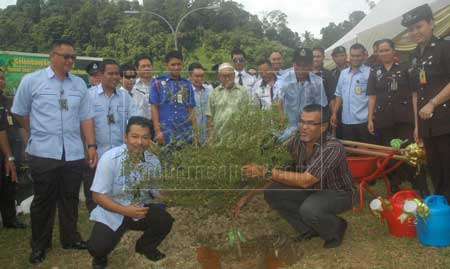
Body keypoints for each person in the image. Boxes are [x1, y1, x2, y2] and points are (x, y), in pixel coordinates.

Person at [11, 40, 97, 264]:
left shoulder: (79, 84)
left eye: (72, 57)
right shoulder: (32, 81)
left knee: (69, 199)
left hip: (73, 153)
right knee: (43, 201)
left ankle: (70, 238)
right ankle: (40, 245)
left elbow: (86, 117)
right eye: (65, 56)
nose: (70, 61)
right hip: (44, 151)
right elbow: (20, 112)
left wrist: (91, 145)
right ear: (52, 56)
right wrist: (36, 131)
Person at [243, 104, 355, 248]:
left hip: (339, 192)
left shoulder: (332, 147)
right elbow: (278, 170)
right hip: (313, 188)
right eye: (302, 121)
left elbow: (306, 181)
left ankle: (336, 227)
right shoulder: (297, 141)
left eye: (310, 123)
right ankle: (308, 229)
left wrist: (265, 171)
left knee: (310, 209)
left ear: (323, 127)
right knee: (272, 192)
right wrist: (246, 197)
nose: (303, 127)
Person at [87, 116, 174, 269]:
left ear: (150, 140)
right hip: (113, 210)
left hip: (139, 208)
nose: (139, 142)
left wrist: (175, 195)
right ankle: (100, 258)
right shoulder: (110, 158)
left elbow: (156, 192)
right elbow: (97, 196)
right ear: (125, 137)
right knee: (96, 248)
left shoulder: (153, 161)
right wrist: (125, 210)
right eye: (135, 136)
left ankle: (144, 247)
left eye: (145, 137)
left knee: (164, 221)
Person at [367, 39, 429, 195]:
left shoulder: (406, 68)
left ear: (393, 50)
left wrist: (417, 123)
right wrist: (370, 119)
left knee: (411, 152)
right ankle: (394, 185)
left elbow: (415, 95)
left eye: (386, 50)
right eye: (381, 51)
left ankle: (420, 185)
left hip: (405, 118)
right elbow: (372, 97)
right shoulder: (374, 71)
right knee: (389, 154)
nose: (384, 53)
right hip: (384, 119)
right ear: (377, 53)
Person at [402, 4, 450, 200]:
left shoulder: (445, 48)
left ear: (431, 23)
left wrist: (432, 103)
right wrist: (417, 125)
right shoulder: (413, 57)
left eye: (419, 26)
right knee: (435, 169)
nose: (415, 32)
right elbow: (415, 94)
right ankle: (442, 209)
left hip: (446, 121)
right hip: (426, 124)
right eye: (411, 29)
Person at [83, 60, 139, 213]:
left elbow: (134, 120)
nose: (115, 77)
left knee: (117, 191)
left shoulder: (124, 97)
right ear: (101, 75)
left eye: (117, 74)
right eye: (111, 73)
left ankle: (118, 215)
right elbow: (82, 124)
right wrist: (88, 148)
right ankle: (95, 217)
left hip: (119, 154)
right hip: (96, 153)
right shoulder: (89, 96)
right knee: (95, 191)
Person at [278, 48, 328, 142]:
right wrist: (281, 117)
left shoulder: (317, 82)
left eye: (305, 66)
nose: (301, 69)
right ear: (293, 64)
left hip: (308, 128)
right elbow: (278, 101)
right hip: (287, 128)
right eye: (298, 65)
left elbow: (321, 107)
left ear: (311, 65)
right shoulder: (284, 79)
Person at [150, 51, 196, 146]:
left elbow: (191, 109)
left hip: (185, 134)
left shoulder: (187, 84)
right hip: (165, 134)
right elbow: (154, 108)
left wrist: (195, 133)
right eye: (173, 64)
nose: (176, 67)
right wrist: (158, 132)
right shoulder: (157, 83)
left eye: (179, 64)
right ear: (166, 65)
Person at [331, 43, 375, 143]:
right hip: (346, 121)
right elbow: (338, 95)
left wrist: (370, 119)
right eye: (353, 56)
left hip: (363, 121)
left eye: (358, 56)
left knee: (366, 152)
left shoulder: (370, 72)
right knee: (350, 153)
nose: (355, 58)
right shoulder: (343, 73)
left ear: (364, 55)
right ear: (349, 56)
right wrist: (334, 113)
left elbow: (372, 98)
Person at [0, 68, 21, 229]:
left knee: (9, 184)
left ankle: (10, 219)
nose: (1, 81)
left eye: (2, 78)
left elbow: (19, 124)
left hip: (10, 149)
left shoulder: (7, 101)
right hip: (4, 151)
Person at [206, 63, 250, 140]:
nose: (227, 78)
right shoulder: (214, 93)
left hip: (239, 137)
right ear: (219, 77)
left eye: (229, 75)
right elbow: (210, 118)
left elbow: (248, 114)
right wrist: (210, 138)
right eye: (224, 76)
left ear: (234, 75)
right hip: (219, 137)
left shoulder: (243, 91)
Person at [188, 63, 213, 145]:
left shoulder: (209, 90)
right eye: (197, 76)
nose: (200, 78)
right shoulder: (185, 91)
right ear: (190, 76)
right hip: (191, 137)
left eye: (202, 76)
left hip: (208, 137)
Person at [132, 55, 153, 119]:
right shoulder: (132, 86)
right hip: (139, 124)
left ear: (152, 67)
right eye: (143, 66)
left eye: (149, 66)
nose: (146, 68)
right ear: (137, 69)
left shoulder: (159, 84)